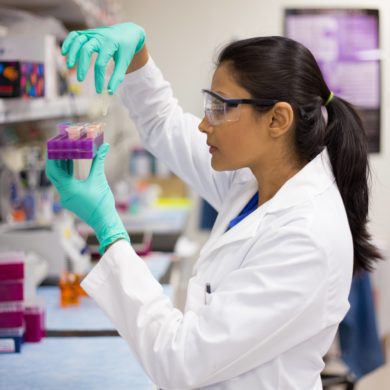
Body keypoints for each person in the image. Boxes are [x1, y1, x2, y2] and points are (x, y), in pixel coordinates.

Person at [46, 22, 382, 389]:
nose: (205, 124)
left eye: (221, 107)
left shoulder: (307, 236)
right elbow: (162, 123)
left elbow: (180, 361)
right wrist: (137, 56)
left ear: (277, 119)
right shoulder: (256, 180)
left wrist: (109, 230)